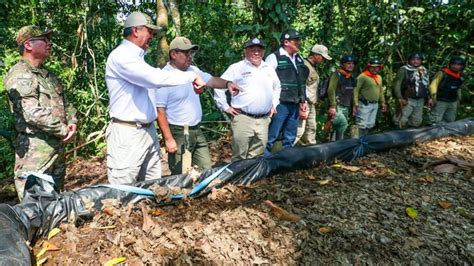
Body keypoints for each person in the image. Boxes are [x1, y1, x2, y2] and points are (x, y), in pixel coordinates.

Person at [105, 12, 211, 185]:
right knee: (123, 188)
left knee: (153, 185)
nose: (152, 37)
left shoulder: (138, 59)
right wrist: (191, 77)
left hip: (147, 131)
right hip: (128, 132)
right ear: (135, 31)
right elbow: (156, 79)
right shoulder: (121, 56)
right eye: (149, 32)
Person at [4, 25, 77, 200]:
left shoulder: (48, 76)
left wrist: (73, 122)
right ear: (28, 45)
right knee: (34, 206)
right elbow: (31, 112)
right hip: (35, 151)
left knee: (56, 202)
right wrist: (62, 130)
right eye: (44, 40)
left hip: (56, 149)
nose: (49, 43)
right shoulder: (21, 74)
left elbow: (67, 104)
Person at [156, 36, 239, 174]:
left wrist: (228, 84)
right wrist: (169, 139)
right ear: (174, 54)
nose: (190, 56)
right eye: (186, 53)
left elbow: (211, 81)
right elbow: (160, 110)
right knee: (180, 173)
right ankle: (180, 194)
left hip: (196, 128)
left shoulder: (193, 70)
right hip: (178, 131)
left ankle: (198, 193)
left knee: (206, 169)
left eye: (191, 53)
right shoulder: (164, 77)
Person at [214, 38, 281, 160]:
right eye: (252, 50)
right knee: (239, 154)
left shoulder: (269, 68)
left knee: (257, 155)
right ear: (246, 51)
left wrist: (274, 104)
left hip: (263, 119)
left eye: (259, 50)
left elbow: (277, 86)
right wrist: (225, 107)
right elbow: (219, 87)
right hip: (243, 118)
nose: (256, 53)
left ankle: (251, 178)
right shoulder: (237, 68)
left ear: (263, 52)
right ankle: (237, 178)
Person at [264, 29, 309, 155]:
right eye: (296, 41)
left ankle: (286, 161)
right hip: (280, 104)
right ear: (286, 42)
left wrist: (303, 100)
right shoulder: (274, 57)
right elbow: (267, 81)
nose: (298, 43)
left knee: (290, 136)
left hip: (294, 103)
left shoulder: (298, 58)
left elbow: (302, 81)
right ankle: (265, 163)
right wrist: (271, 103)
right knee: (272, 135)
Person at [295, 44, 332, 145]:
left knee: (311, 129)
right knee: (299, 131)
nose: (323, 60)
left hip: (311, 104)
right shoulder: (304, 66)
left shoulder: (313, 67)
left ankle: (312, 154)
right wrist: (303, 103)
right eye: (323, 58)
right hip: (304, 103)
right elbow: (301, 86)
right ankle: (285, 153)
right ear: (316, 55)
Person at [392, 52, 432, 128]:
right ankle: (397, 136)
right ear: (409, 60)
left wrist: (429, 97)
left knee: (417, 121)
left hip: (420, 99)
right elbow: (397, 84)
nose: (415, 61)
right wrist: (400, 97)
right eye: (413, 59)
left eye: (418, 59)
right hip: (408, 98)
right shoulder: (404, 70)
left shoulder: (423, 70)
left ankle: (411, 136)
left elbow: (427, 84)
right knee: (401, 119)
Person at [352, 58, 387, 137]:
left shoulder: (379, 77)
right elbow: (356, 90)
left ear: (379, 67)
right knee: (361, 125)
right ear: (369, 67)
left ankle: (366, 143)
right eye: (373, 67)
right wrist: (356, 103)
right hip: (364, 104)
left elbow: (380, 91)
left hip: (374, 104)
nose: (375, 69)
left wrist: (383, 102)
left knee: (370, 124)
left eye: (377, 67)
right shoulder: (363, 76)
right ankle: (356, 144)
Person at [327, 55, 357, 140]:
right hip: (337, 106)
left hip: (346, 106)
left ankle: (334, 147)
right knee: (342, 124)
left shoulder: (352, 77)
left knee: (338, 129)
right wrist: (332, 105)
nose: (351, 65)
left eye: (352, 63)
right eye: (348, 63)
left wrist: (355, 105)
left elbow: (353, 92)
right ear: (343, 64)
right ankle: (339, 145)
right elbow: (331, 90)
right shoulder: (337, 74)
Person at [428, 56, 466, 124]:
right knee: (435, 120)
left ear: (462, 66)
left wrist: (459, 98)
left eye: (458, 65)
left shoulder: (460, 75)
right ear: (450, 64)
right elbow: (433, 85)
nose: (455, 66)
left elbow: (459, 87)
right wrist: (433, 98)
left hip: (453, 101)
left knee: (450, 120)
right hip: (441, 100)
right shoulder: (443, 73)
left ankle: (446, 134)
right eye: (453, 64)